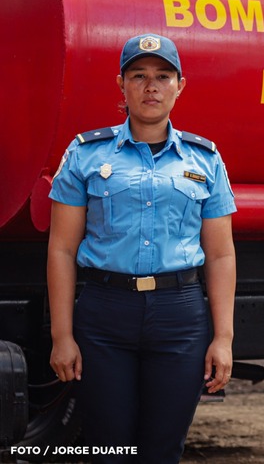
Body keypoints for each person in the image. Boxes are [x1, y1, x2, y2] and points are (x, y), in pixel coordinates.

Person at [47, 33, 237, 463]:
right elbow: (61, 249)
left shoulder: (204, 159)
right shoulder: (85, 155)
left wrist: (222, 338)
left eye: (163, 76)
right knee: (107, 447)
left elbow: (222, 255)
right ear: (122, 84)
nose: (151, 86)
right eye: (139, 75)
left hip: (180, 317)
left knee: (162, 449)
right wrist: (62, 336)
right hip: (104, 315)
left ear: (179, 85)